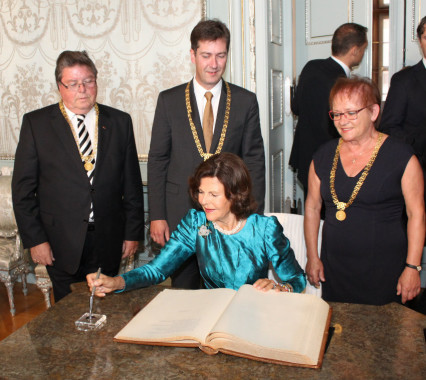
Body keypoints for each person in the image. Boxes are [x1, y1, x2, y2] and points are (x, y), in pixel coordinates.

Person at [12, 50, 144, 302]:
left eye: (88, 81)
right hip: (60, 242)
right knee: (67, 311)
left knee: (107, 309)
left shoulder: (119, 122)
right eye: (73, 84)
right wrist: (36, 240)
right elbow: (23, 192)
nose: (82, 89)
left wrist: (132, 233)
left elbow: (132, 184)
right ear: (59, 87)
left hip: (109, 238)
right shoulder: (36, 124)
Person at [148, 19, 265, 289]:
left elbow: (254, 161)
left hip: (231, 217)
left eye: (221, 55)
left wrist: (251, 216)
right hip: (181, 214)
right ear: (193, 55)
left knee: (228, 296)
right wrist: (157, 215)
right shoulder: (169, 100)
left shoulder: (245, 101)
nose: (214, 63)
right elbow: (158, 160)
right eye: (206, 55)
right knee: (185, 295)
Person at [87, 153, 305, 296]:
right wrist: (116, 282)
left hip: (253, 318)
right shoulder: (196, 223)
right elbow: (157, 270)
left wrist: (281, 288)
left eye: (213, 194)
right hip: (210, 318)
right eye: (201, 192)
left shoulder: (264, 229)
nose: (204, 201)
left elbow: (298, 279)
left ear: (236, 194)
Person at [304, 76, 424, 306]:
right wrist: (312, 256)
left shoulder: (402, 157)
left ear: (374, 112)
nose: (343, 121)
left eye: (351, 112)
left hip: (384, 273)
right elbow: (312, 206)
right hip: (335, 270)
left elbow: (416, 214)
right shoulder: (322, 155)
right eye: (337, 114)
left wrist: (412, 266)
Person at [289, 23, 368, 196]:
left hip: (306, 156)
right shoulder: (344, 84)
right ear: (354, 50)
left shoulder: (311, 66)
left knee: (312, 209)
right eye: (363, 49)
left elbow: (296, 107)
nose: (363, 54)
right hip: (333, 160)